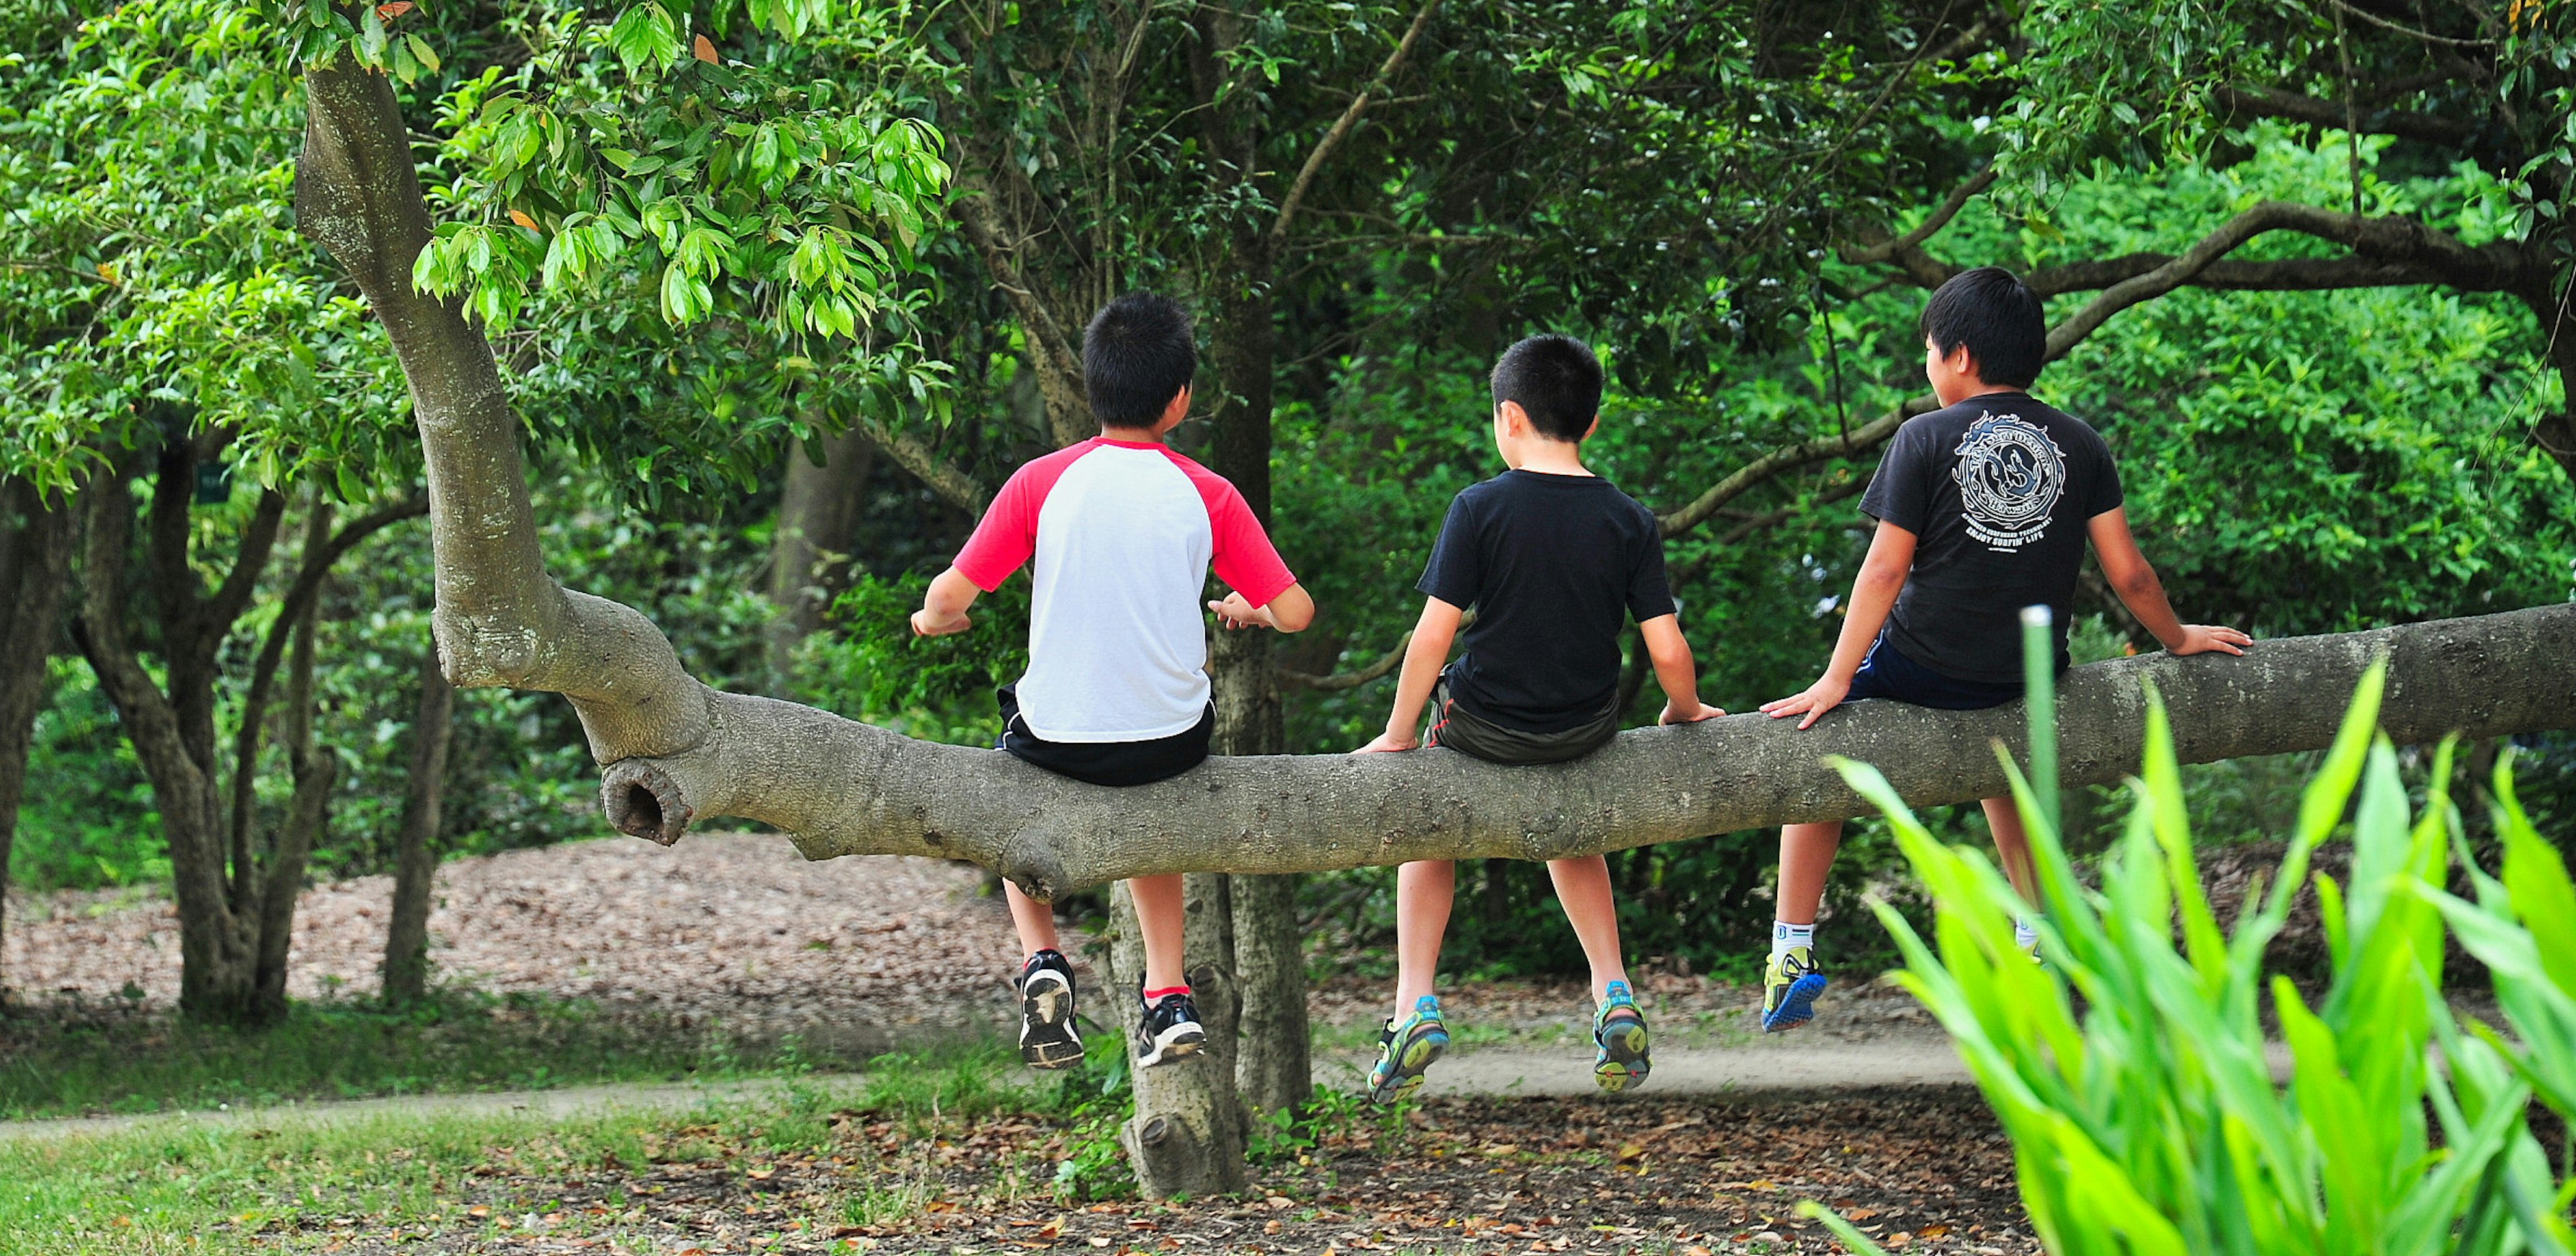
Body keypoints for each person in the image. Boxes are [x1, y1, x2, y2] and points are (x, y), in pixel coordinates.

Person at [1756, 266, 2251, 1032]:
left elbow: (1885, 568)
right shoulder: (2081, 443)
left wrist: (1836, 677)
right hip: (2024, 671)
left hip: (1924, 664)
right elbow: (2129, 571)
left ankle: (1791, 944)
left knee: (1817, 753)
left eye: (1927, 347)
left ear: (1958, 356)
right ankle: (2037, 932)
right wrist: (2179, 637)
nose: (1926, 361)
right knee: (2005, 764)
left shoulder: (1922, 436)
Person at [910, 291, 1315, 1073]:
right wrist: (1249, 610)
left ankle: (1042, 961)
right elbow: (1294, 610)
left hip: (1057, 740)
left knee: (1007, 789)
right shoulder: (1210, 492)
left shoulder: (1042, 481)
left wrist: (934, 622)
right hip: (1171, 742)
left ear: (1093, 387)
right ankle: (1167, 994)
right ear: (1180, 399)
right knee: (1150, 815)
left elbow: (950, 595)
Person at [1354, 334, 1722, 1107]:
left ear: (1509, 416)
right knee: (1571, 829)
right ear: (1589, 423)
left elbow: (1434, 633)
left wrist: (1398, 732)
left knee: (1429, 824)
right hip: (1585, 726)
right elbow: (1666, 643)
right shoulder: (1627, 517)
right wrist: (1685, 709)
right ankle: (1613, 990)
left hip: (1483, 723)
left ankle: (1414, 1001)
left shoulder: (1479, 506)